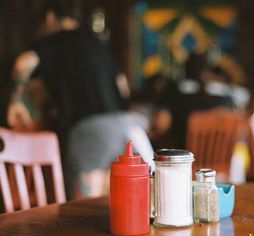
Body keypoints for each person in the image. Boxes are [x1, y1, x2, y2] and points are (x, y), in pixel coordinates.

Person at [7, 0, 154, 199]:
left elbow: (23, 63)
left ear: (49, 17)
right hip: (126, 125)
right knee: (116, 206)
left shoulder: (53, 41)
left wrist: (15, 101)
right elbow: (122, 85)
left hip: (90, 131)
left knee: (82, 212)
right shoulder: (97, 42)